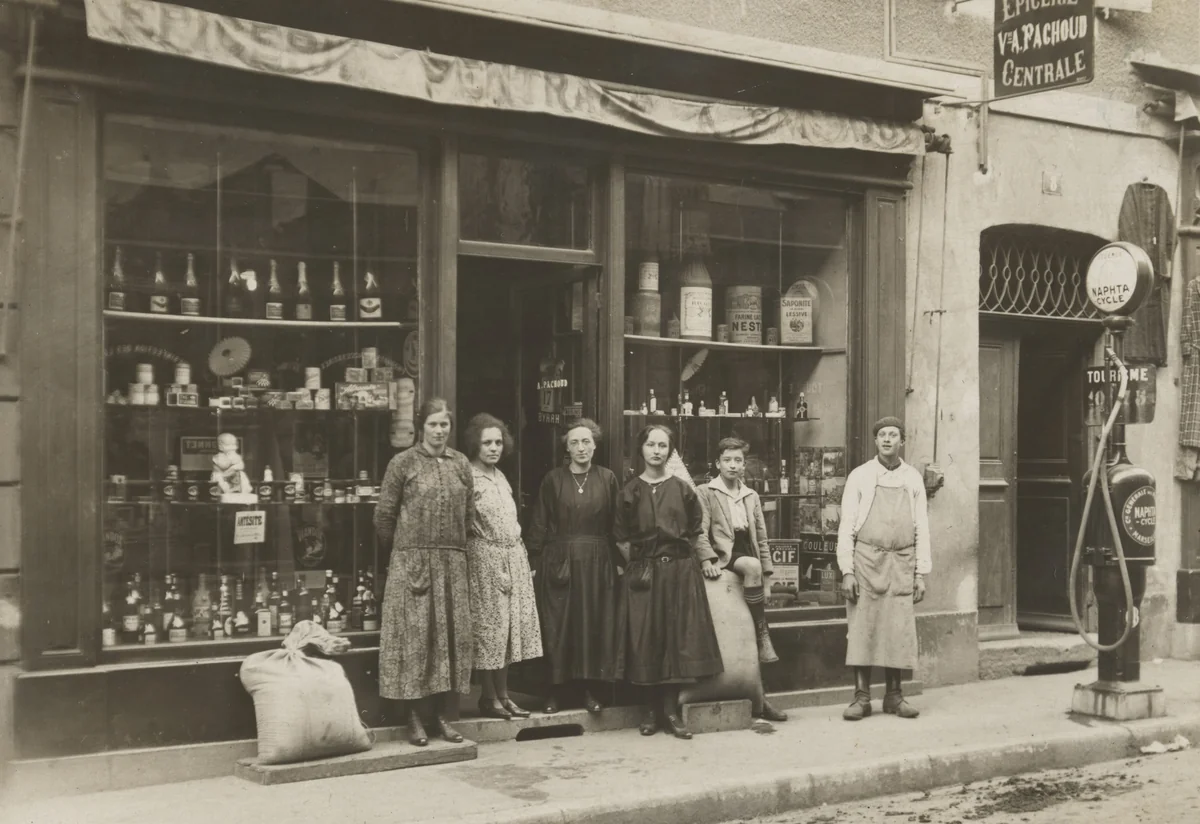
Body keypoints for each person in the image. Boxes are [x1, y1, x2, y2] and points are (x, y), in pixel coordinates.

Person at [375, 398, 474, 746]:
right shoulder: (402, 463)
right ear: (421, 427)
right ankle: (414, 718)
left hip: (451, 565)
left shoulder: (461, 463)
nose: (439, 430)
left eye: (444, 424)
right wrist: (405, 555)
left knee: (447, 641)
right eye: (433, 424)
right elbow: (384, 517)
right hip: (412, 565)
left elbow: (469, 516)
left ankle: (443, 717)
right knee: (416, 642)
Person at [615, 423, 723, 739]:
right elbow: (621, 538)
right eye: (651, 444)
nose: (657, 451)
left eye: (663, 446)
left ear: (670, 450)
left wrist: (696, 561)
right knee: (647, 639)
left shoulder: (683, 489)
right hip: (644, 575)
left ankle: (671, 711)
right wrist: (638, 568)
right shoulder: (629, 490)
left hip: (679, 572)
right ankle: (650, 712)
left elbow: (694, 530)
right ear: (642, 449)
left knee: (676, 639)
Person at [837, 416, 931, 721]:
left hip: (902, 563)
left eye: (893, 435)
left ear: (901, 440)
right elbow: (846, 526)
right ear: (875, 441)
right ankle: (861, 697)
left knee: (898, 629)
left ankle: (894, 696)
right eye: (882, 435)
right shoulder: (860, 476)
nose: (887, 439)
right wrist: (847, 570)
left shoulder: (913, 478)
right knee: (863, 628)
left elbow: (922, 528)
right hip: (867, 561)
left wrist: (920, 573)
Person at [527, 419, 621, 714]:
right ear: (566, 448)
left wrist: (620, 564)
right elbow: (539, 523)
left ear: (595, 445)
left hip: (597, 563)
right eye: (574, 443)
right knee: (559, 626)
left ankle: (589, 691)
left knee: (591, 625)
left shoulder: (607, 478)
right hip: (560, 562)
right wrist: (533, 560)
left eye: (586, 442)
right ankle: (555, 692)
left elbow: (618, 526)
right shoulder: (553, 480)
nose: (581, 448)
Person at [696, 437, 788, 723]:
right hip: (728, 556)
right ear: (717, 464)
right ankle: (763, 631)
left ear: (744, 465)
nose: (733, 465)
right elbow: (699, 531)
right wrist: (707, 558)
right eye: (727, 460)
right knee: (750, 567)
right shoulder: (706, 491)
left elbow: (761, 537)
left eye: (738, 461)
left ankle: (761, 701)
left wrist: (769, 576)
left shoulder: (751, 495)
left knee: (746, 639)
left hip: (751, 558)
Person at [463, 414, 543, 719]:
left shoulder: (500, 476)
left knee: (509, 628)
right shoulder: (470, 477)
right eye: (487, 443)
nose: (493, 448)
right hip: (486, 559)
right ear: (475, 444)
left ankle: (504, 694)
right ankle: (489, 696)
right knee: (491, 629)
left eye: (498, 442)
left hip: (513, 556)